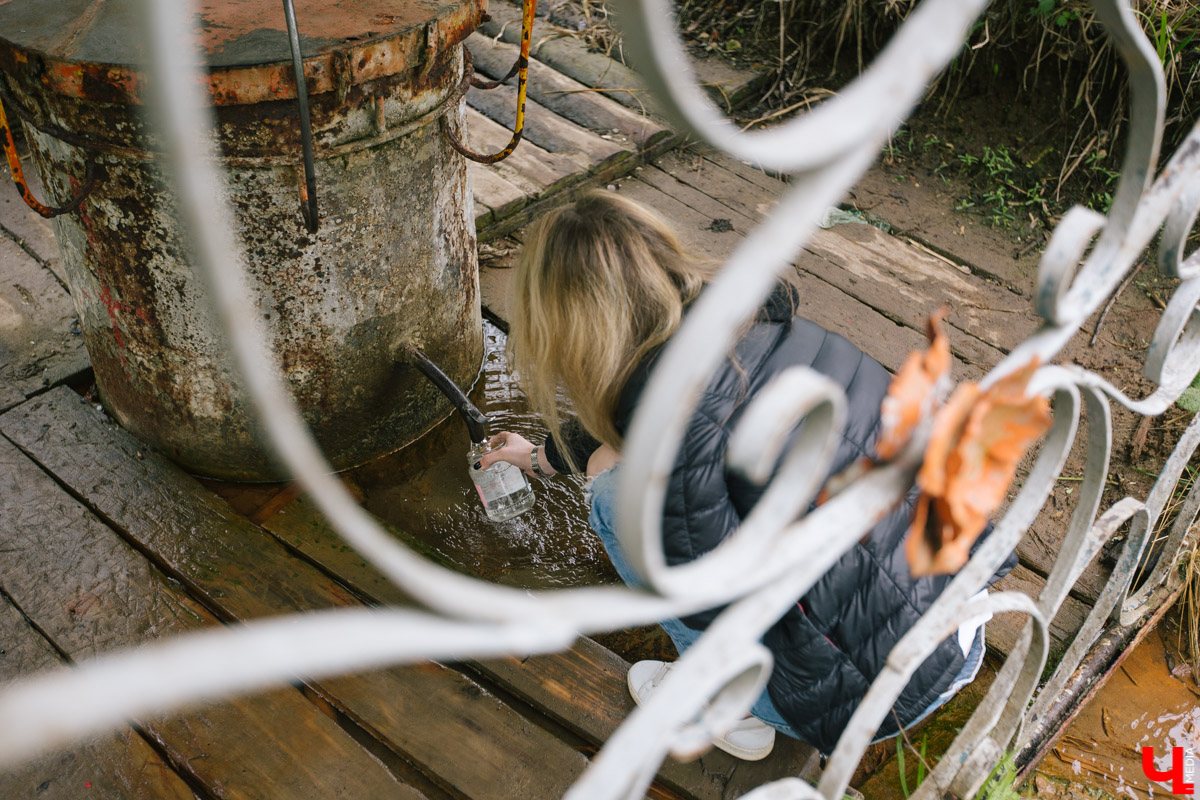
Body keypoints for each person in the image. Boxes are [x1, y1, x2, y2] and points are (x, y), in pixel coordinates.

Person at [478, 189, 1015, 760]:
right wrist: (537, 457)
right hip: (963, 614)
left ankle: (729, 713)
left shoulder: (681, 448)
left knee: (611, 495)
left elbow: (710, 612)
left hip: (882, 702)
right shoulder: (773, 327)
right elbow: (640, 402)